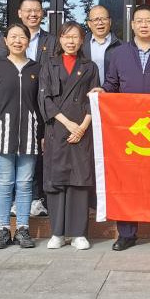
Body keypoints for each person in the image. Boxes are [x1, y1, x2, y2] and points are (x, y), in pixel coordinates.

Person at [97, 4, 150, 252]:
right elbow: (112, 84)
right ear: (132, 25)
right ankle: (127, 234)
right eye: (140, 21)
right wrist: (102, 91)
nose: (144, 25)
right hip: (128, 130)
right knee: (127, 181)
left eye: (149, 21)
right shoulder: (119, 54)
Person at [38, 21, 99, 250]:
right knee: (57, 181)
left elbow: (94, 98)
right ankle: (57, 232)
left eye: (75, 37)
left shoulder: (90, 66)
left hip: (82, 130)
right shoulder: (49, 65)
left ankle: (79, 233)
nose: (70, 41)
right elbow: (44, 99)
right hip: (57, 129)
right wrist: (68, 124)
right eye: (66, 36)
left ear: (82, 40)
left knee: (79, 181)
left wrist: (82, 127)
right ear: (60, 39)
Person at [0, 23, 42, 250]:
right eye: (13, 37)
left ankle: (23, 228)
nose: (18, 41)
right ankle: (3, 229)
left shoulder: (37, 68)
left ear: (28, 41)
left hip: (29, 133)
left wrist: (42, 135)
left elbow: (41, 105)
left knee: (25, 184)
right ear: (5, 41)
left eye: (22, 37)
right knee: (5, 183)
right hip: (2, 133)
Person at [0, 0, 51, 218]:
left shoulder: (51, 41)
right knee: (6, 174)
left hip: (37, 110)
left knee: (31, 167)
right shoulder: (5, 46)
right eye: (28, 10)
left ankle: (34, 204)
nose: (32, 14)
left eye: (37, 10)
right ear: (19, 13)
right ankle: (8, 215)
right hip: (8, 117)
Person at [87, 5, 121, 86]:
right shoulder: (81, 46)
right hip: (87, 93)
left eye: (104, 19)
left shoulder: (121, 46)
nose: (100, 23)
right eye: (95, 19)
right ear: (89, 24)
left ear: (110, 21)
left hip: (112, 93)